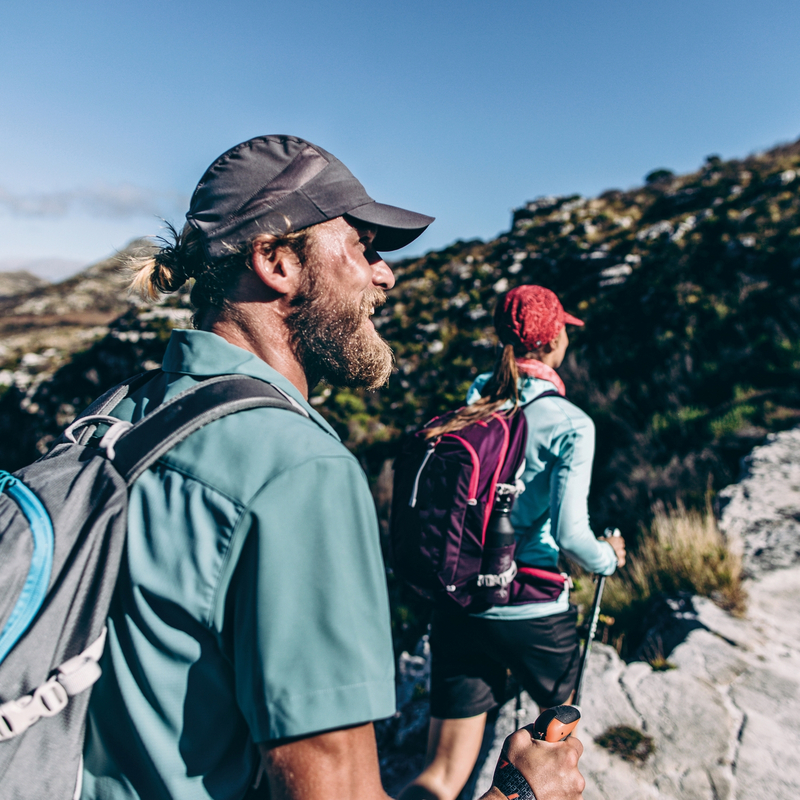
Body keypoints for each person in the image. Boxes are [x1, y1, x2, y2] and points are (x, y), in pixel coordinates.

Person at [79, 137, 586, 800]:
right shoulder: (297, 470)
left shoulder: (114, 415)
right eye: (365, 247)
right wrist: (523, 793)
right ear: (276, 261)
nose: (386, 275)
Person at [404, 285, 626, 800]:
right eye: (565, 329)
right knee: (557, 747)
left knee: (439, 774)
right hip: (534, 609)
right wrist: (607, 559)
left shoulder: (472, 409)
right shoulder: (571, 424)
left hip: (460, 602)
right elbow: (572, 534)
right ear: (553, 344)